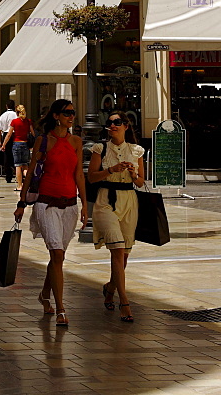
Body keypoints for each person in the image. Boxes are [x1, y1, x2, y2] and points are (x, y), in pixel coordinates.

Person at [15, 99, 87, 327]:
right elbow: (30, 174)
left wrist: (85, 205)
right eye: (67, 113)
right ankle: (61, 309)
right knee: (56, 254)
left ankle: (44, 296)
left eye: (73, 113)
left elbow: (79, 176)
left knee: (59, 256)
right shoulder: (43, 141)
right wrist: (21, 203)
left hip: (69, 204)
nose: (71, 116)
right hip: (46, 204)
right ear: (56, 116)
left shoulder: (76, 141)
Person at [87, 110, 145, 324]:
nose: (112, 126)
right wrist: (111, 169)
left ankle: (110, 289)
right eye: (109, 123)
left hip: (129, 201)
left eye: (117, 122)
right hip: (106, 201)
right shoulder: (100, 149)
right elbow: (91, 177)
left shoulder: (136, 151)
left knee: (124, 256)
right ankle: (124, 301)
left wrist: (132, 174)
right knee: (117, 251)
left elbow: (140, 183)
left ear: (126, 126)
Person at [2, 104, 35, 189]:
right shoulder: (28, 121)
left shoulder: (14, 122)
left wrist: (3, 145)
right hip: (25, 144)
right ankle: (29, 184)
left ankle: (19, 185)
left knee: (18, 165)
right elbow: (33, 133)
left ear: (17, 112)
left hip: (16, 144)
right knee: (25, 165)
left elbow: (9, 134)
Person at [0, 101, 17, 183]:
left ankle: (8, 176)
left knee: (6, 155)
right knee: (15, 154)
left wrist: (0, 141)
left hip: (5, 134)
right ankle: (17, 173)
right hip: (14, 135)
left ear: (6, 106)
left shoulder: (2, 116)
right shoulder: (15, 115)